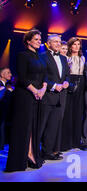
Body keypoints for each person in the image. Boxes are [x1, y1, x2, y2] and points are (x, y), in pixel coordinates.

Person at [6, 29, 46, 171]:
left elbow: (44, 77)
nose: (39, 42)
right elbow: (22, 77)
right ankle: (21, 159)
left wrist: (42, 90)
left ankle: (32, 153)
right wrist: (35, 91)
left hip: (38, 95)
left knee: (34, 126)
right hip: (25, 95)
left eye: (40, 40)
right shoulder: (22, 55)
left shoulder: (40, 57)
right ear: (28, 41)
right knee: (24, 127)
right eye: (36, 39)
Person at [39, 34, 70, 160]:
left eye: (59, 42)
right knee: (42, 126)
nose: (58, 44)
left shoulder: (63, 58)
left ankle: (48, 151)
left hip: (60, 97)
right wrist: (53, 86)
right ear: (48, 43)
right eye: (55, 42)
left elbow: (66, 74)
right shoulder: (42, 57)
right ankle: (36, 153)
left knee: (53, 126)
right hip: (47, 96)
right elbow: (41, 76)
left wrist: (67, 82)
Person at [60, 37, 86, 151]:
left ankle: (76, 141)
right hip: (69, 83)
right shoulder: (66, 58)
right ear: (70, 46)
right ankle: (66, 142)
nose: (76, 46)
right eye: (74, 44)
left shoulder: (82, 58)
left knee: (78, 114)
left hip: (81, 84)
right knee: (68, 114)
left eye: (78, 44)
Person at [0, 67, 13, 150]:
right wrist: (7, 91)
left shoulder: (7, 86)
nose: (10, 75)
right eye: (8, 72)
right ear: (1, 74)